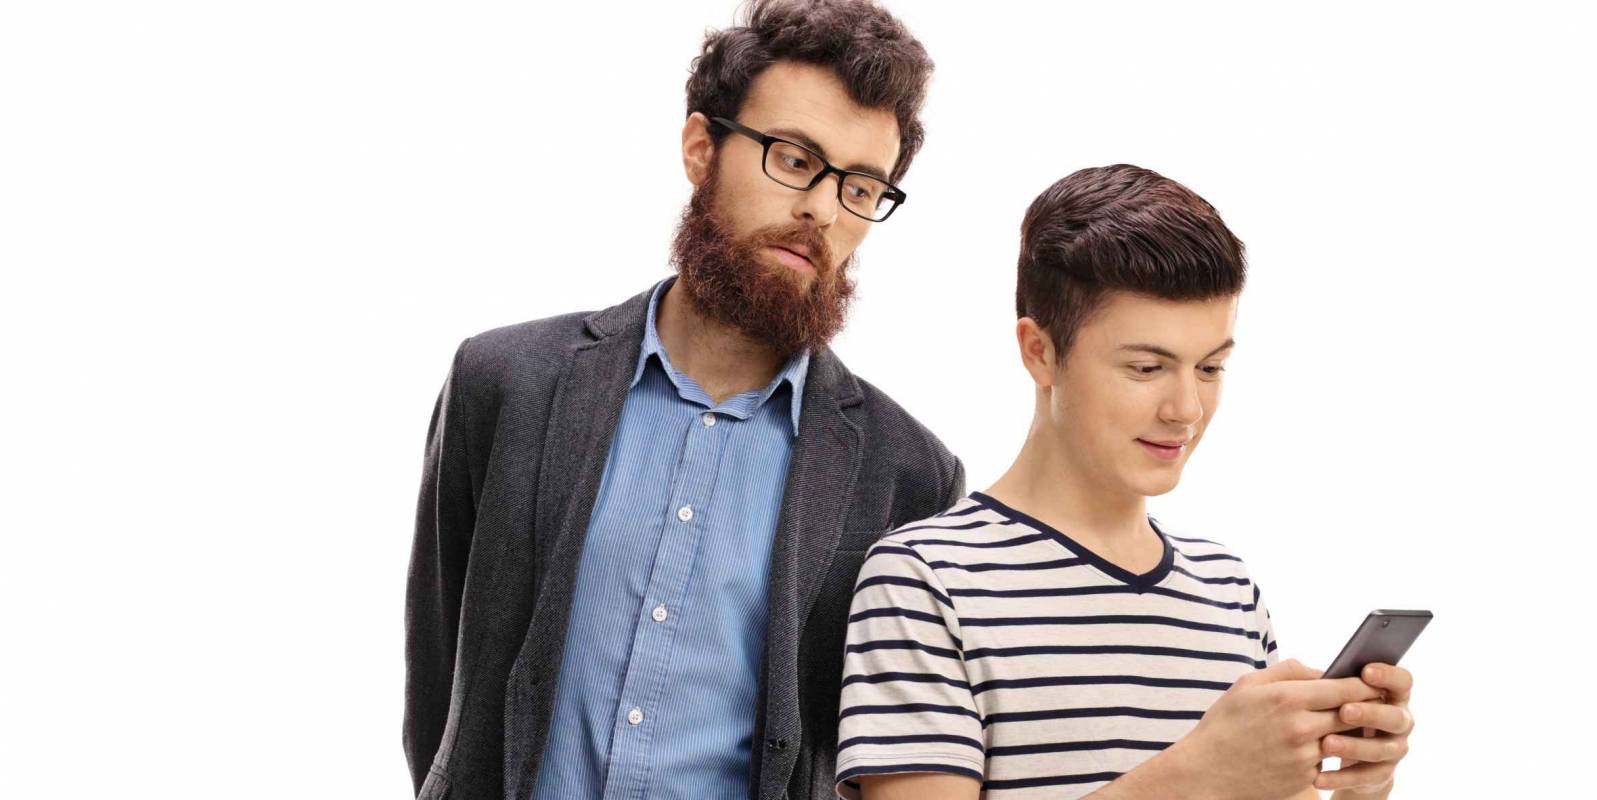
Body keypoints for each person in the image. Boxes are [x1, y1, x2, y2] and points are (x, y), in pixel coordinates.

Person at [403, 2, 960, 798]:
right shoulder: (506, 383)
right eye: (796, 160)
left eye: (862, 185)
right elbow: (442, 694)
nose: (823, 211)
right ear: (702, 148)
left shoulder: (909, 474)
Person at [834, 165, 1418, 799]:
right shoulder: (925, 579)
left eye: (1211, 367)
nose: (1186, 409)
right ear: (1040, 351)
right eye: (1146, 367)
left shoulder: (1229, 591)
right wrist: (1198, 775)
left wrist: (1361, 788)